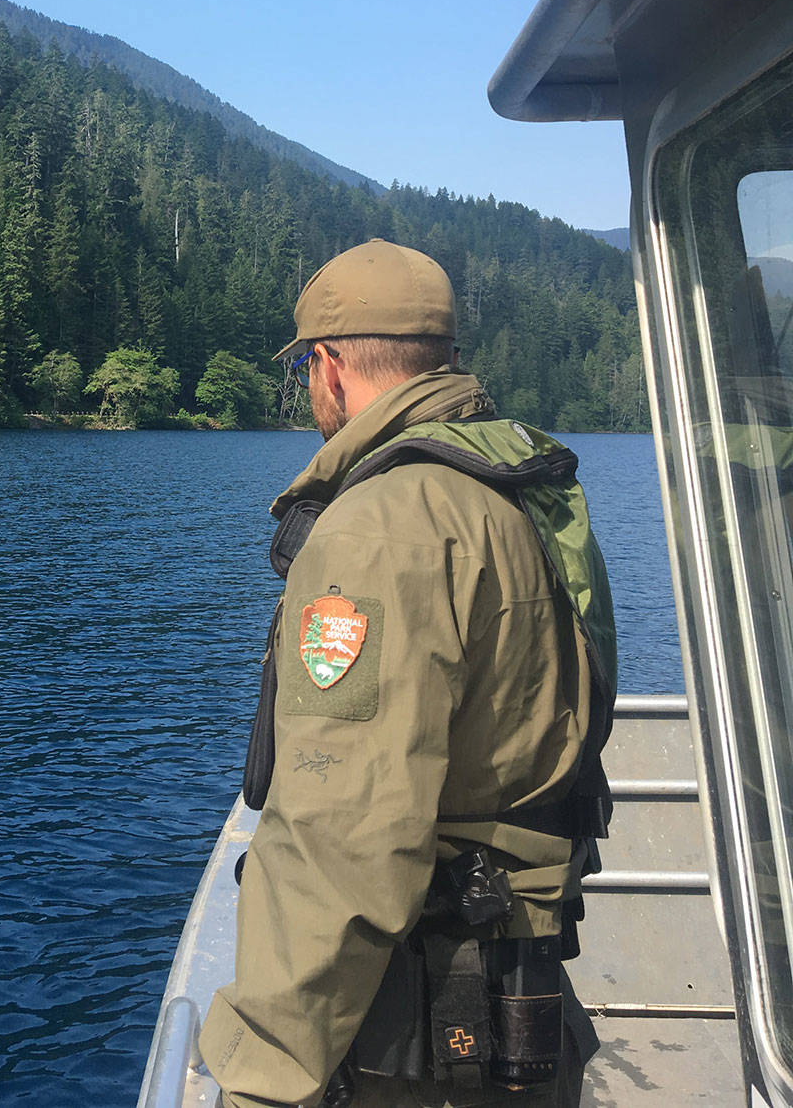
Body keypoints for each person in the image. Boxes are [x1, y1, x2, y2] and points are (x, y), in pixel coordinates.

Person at [198, 240, 615, 1108]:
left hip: (417, 1060)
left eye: (310, 368)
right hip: (518, 1017)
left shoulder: (377, 529)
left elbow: (342, 836)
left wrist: (264, 1082)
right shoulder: (510, 490)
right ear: (444, 358)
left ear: (330, 366)